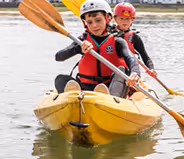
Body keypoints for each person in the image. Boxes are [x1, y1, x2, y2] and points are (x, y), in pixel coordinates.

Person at [54, 0, 140, 98]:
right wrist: (78, 49)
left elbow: (131, 59)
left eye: (98, 20)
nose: (94, 25)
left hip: (110, 87)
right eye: (89, 22)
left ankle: (109, 99)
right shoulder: (81, 41)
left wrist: (135, 73)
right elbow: (58, 57)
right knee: (60, 79)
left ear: (108, 18)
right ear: (85, 23)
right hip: (85, 86)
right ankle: (74, 97)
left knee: (122, 70)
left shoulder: (117, 41)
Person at [112, 2, 157, 77]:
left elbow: (145, 57)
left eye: (127, 19)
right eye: (121, 18)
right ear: (116, 19)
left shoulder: (134, 37)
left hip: (130, 70)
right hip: (113, 68)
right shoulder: (110, 33)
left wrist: (151, 69)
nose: (124, 21)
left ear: (132, 19)